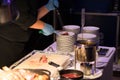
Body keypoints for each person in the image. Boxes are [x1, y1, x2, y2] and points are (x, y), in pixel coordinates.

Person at [0, 0, 59, 68]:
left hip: (20, 41)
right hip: (6, 43)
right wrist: (43, 26)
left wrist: (47, 8)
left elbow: (30, 16)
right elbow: (21, 17)